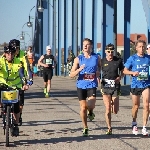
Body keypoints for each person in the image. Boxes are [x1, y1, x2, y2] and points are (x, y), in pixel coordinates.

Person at [70, 38, 101, 136]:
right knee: (83, 107)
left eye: (87, 44)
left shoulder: (97, 57)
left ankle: (91, 111)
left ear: (91, 46)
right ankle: (85, 127)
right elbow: (71, 74)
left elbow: (100, 67)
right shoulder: (78, 59)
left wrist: (98, 73)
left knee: (91, 105)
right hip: (81, 85)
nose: (85, 46)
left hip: (92, 84)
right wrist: (79, 70)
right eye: (84, 44)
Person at [0, 45, 29, 136]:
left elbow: (21, 74)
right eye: (8, 53)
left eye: (12, 53)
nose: (10, 55)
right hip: (2, 84)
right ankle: (1, 109)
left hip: (15, 86)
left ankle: (15, 125)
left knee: (16, 107)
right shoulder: (0, 61)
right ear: (5, 54)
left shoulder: (18, 62)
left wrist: (25, 83)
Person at [123, 40, 150, 136]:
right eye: (140, 47)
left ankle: (144, 127)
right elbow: (125, 71)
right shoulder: (132, 58)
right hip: (135, 85)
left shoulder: (148, 58)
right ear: (136, 48)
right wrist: (132, 73)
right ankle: (134, 123)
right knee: (136, 106)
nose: (142, 48)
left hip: (146, 84)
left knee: (146, 105)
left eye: (143, 46)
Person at [100, 43, 124, 135]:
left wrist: (120, 77)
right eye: (108, 51)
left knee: (115, 110)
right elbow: (97, 70)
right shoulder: (102, 61)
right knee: (108, 108)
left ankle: (114, 107)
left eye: (112, 51)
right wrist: (97, 76)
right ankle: (109, 127)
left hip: (115, 86)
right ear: (105, 51)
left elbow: (123, 71)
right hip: (105, 86)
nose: (110, 53)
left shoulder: (118, 61)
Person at [9, 39, 33, 126]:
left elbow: (27, 68)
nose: (15, 50)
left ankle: (19, 116)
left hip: (20, 79)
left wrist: (30, 80)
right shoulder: (7, 55)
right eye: (13, 48)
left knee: (20, 102)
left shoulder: (23, 55)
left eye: (17, 48)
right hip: (8, 80)